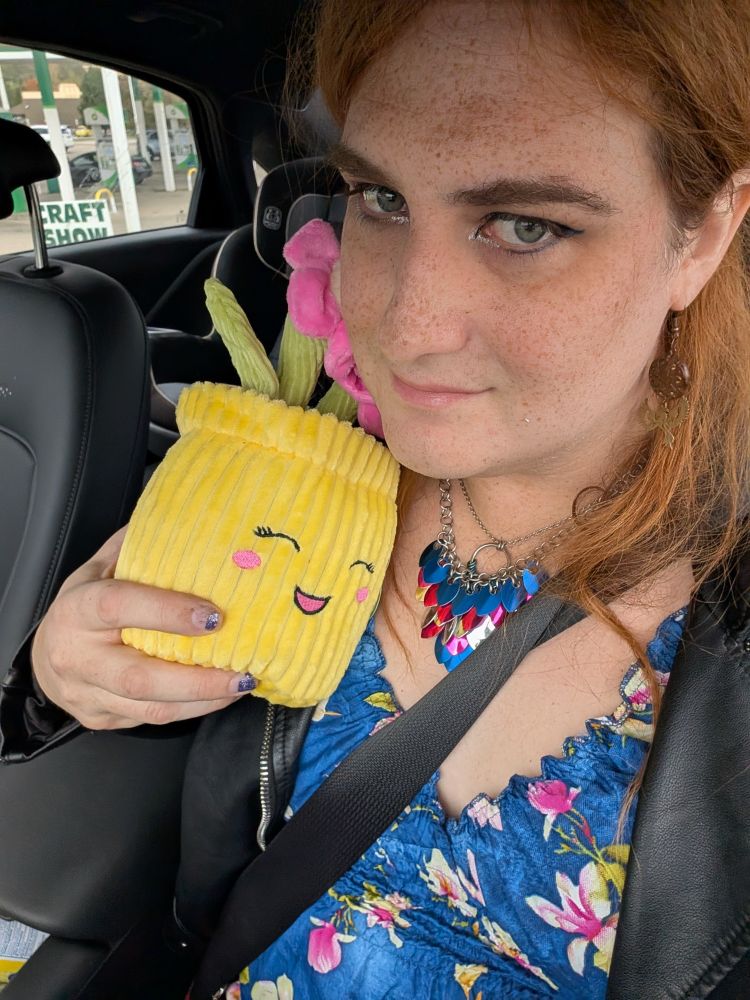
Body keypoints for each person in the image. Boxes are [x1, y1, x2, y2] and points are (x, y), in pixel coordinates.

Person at [2, 1, 749, 997]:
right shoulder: (283, 499)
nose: (406, 319)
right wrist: (56, 683)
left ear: (702, 233)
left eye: (527, 224)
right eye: (380, 198)